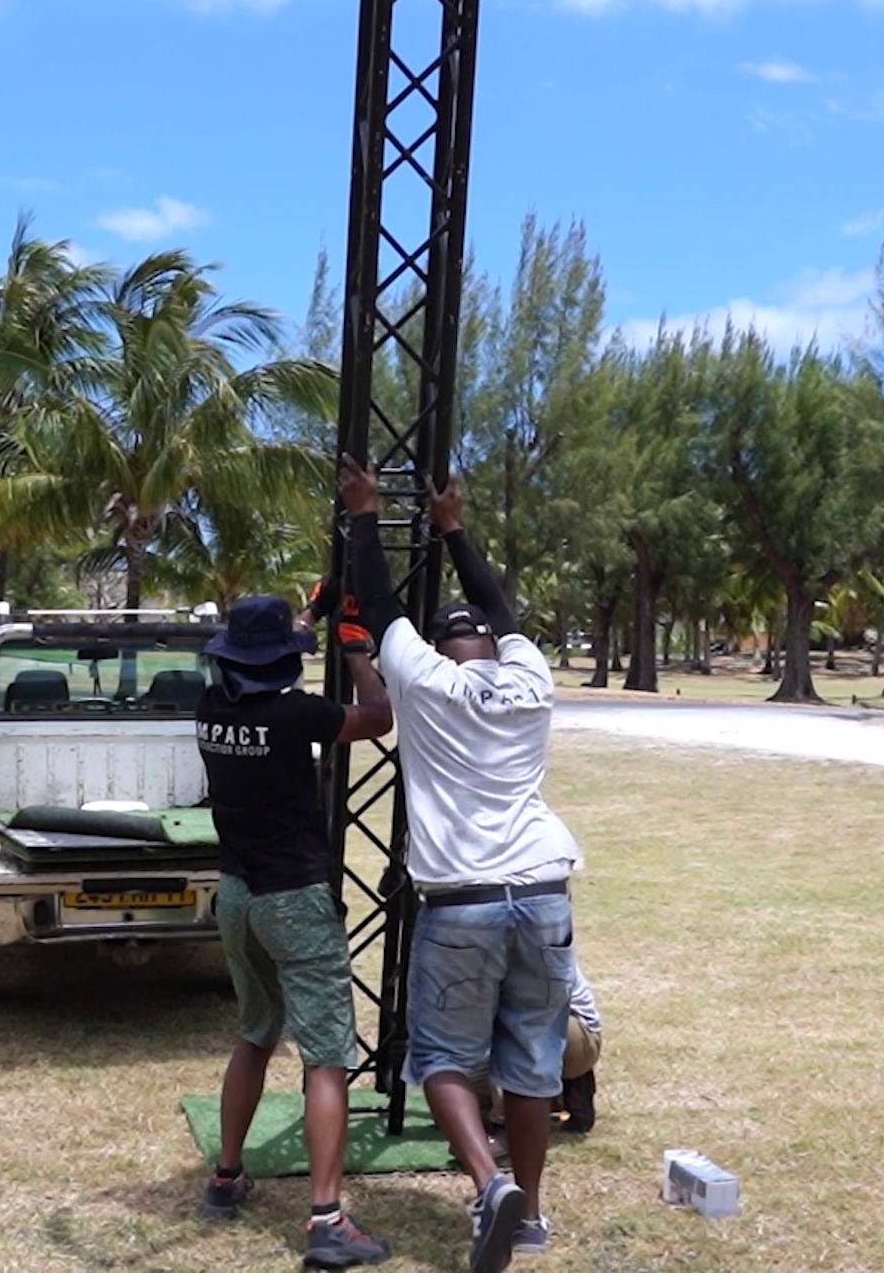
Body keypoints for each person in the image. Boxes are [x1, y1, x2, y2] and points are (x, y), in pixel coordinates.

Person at [338, 455, 583, 1268]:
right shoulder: (532, 679)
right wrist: (455, 528)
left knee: (440, 1056)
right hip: (544, 892)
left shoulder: (420, 680)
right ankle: (534, 1210)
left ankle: (489, 1186)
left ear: (440, 646)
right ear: (494, 644)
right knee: (533, 1061)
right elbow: (503, 604)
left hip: (462, 900)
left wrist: (365, 514)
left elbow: (375, 603)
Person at [196, 590, 394, 1269]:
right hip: (294, 899)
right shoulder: (295, 713)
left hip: (237, 895)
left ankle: (226, 1175)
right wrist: (359, 656)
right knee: (327, 1055)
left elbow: (260, 661)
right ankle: (326, 1219)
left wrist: (305, 619)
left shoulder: (211, 707)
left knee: (255, 1033)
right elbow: (379, 717)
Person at [477, 963, 602, 1139]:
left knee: (502, 1027)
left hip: (572, 1038)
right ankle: (570, 1102)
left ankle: (505, 1123)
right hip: (579, 1038)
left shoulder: (519, 950)